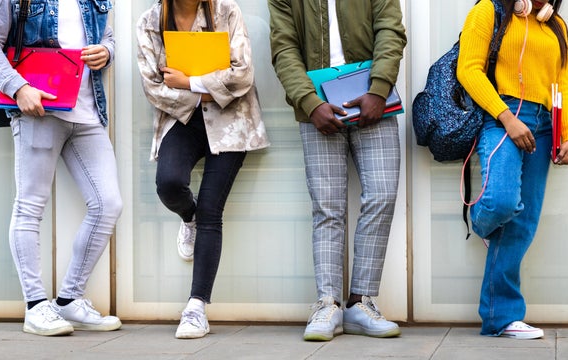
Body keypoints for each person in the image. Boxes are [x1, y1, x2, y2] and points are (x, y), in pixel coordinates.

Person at [0, 0, 122, 336]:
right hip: (37, 112)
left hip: (87, 113)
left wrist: (106, 52)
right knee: (30, 206)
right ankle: (35, 306)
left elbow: (107, 36)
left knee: (108, 204)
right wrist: (18, 87)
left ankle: (69, 299)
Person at [268, 0, 407, 341]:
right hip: (316, 107)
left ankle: (361, 303)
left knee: (383, 195)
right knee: (327, 207)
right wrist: (309, 102)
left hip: (375, 100)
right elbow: (283, 47)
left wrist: (379, 88)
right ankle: (327, 304)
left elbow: (391, 31)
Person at [136, 0, 270, 339]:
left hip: (232, 123)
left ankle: (196, 308)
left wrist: (191, 82)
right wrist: (203, 92)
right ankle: (188, 217)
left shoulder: (227, 11)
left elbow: (243, 74)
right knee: (168, 183)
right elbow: (153, 86)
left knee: (212, 209)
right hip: (180, 121)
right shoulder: (151, 21)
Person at [457, 0, 568, 339]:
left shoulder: (557, 27)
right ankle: (482, 224)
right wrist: (507, 118)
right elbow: (469, 70)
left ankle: (501, 317)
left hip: (544, 123)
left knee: (523, 223)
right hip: (502, 115)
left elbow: (561, 84)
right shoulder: (488, 11)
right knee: (501, 204)